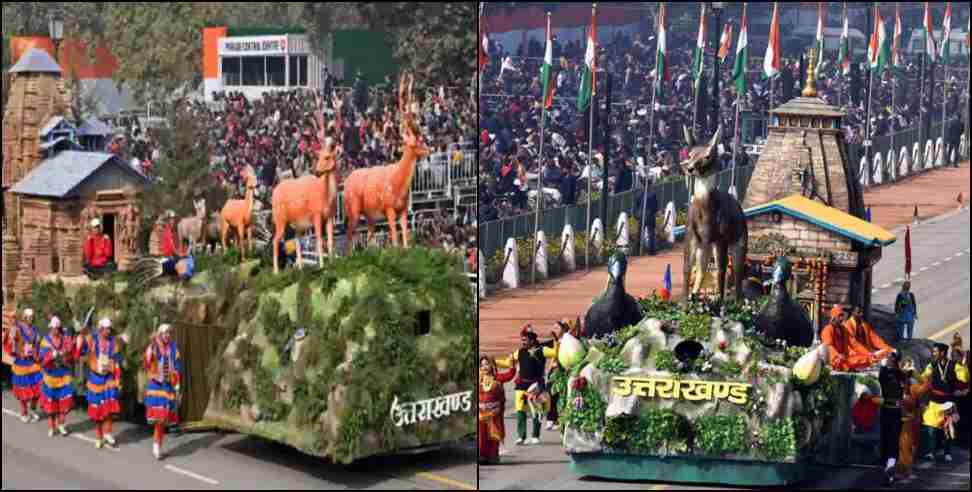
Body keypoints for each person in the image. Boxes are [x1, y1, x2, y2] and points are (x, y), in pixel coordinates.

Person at [496, 325, 558, 445]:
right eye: (522, 340)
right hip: (521, 385)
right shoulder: (519, 352)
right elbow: (508, 362)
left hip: (536, 386)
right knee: (520, 410)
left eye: (525, 340)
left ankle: (535, 435)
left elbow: (555, 353)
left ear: (532, 340)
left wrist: (556, 341)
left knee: (537, 410)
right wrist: (494, 361)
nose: (523, 342)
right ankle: (521, 436)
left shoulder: (542, 350)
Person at [76, 318, 124, 449]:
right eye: (106, 329)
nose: (108, 331)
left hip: (109, 378)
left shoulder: (114, 343)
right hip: (96, 379)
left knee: (109, 408)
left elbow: (117, 361)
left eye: (109, 329)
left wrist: (117, 377)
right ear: (100, 329)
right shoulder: (92, 339)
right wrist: (80, 338)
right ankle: (98, 436)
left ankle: (108, 432)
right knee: (97, 410)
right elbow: (79, 353)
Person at [920, 342, 969, 463]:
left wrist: (963, 365)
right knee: (930, 427)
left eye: (935, 351)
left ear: (942, 353)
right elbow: (923, 377)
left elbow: (965, 378)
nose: (933, 353)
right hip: (934, 401)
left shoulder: (954, 365)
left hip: (948, 401)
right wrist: (911, 374)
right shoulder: (932, 365)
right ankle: (930, 452)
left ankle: (947, 452)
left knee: (947, 428)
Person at [144, 324, 182, 460]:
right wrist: (151, 348)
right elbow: (147, 363)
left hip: (168, 386)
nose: (167, 336)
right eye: (165, 333)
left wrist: (177, 384)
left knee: (163, 420)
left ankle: (157, 445)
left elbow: (177, 367)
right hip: (156, 385)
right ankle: (156, 446)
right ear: (160, 334)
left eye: (169, 333)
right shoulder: (153, 347)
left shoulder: (174, 349)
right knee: (159, 419)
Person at [5, 308, 42, 423]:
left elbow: (37, 344)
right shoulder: (18, 328)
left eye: (33, 317)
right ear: (25, 317)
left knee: (38, 388)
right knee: (23, 391)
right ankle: (24, 412)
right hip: (21, 362)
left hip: (33, 362)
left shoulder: (35, 329)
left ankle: (33, 409)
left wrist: (36, 349)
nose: (31, 319)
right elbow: (11, 339)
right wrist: (12, 324)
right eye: (29, 317)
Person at [39, 316, 74, 437]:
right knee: (51, 402)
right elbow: (42, 358)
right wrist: (52, 355)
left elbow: (71, 353)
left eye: (57, 328)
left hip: (64, 374)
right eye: (53, 328)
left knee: (65, 400)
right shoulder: (45, 340)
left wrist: (65, 353)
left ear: (59, 328)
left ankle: (61, 424)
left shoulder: (65, 339)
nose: (55, 331)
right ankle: (51, 426)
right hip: (51, 375)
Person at [478, 355, 515, 465]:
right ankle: (482, 456)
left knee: (493, 436)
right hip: (481, 414)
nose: (485, 367)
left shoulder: (498, 378)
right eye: (482, 365)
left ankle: (493, 456)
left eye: (487, 364)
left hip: (495, 414)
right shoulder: (478, 378)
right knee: (482, 436)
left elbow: (510, 375)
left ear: (492, 365)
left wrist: (512, 365)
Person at [897, 357, 930, 481]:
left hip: (910, 419)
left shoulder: (911, 388)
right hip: (906, 420)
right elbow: (926, 385)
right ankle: (906, 470)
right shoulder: (909, 388)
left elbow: (926, 386)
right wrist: (915, 374)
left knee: (908, 446)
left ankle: (903, 470)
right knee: (906, 446)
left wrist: (914, 373)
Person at [877, 352, 906, 485]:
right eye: (888, 357)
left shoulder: (897, 374)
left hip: (893, 412)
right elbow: (883, 377)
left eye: (890, 357)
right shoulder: (889, 374)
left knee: (892, 441)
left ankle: (889, 469)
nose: (888, 359)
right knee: (888, 440)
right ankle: (888, 468)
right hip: (889, 411)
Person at [820, 305, 873, 372]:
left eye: (842, 316)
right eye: (839, 316)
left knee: (866, 359)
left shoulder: (843, 329)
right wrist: (838, 355)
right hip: (834, 359)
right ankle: (847, 367)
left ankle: (849, 366)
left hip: (845, 358)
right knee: (842, 362)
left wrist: (867, 353)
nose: (841, 318)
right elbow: (829, 347)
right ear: (834, 317)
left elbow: (854, 344)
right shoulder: (827, 330)